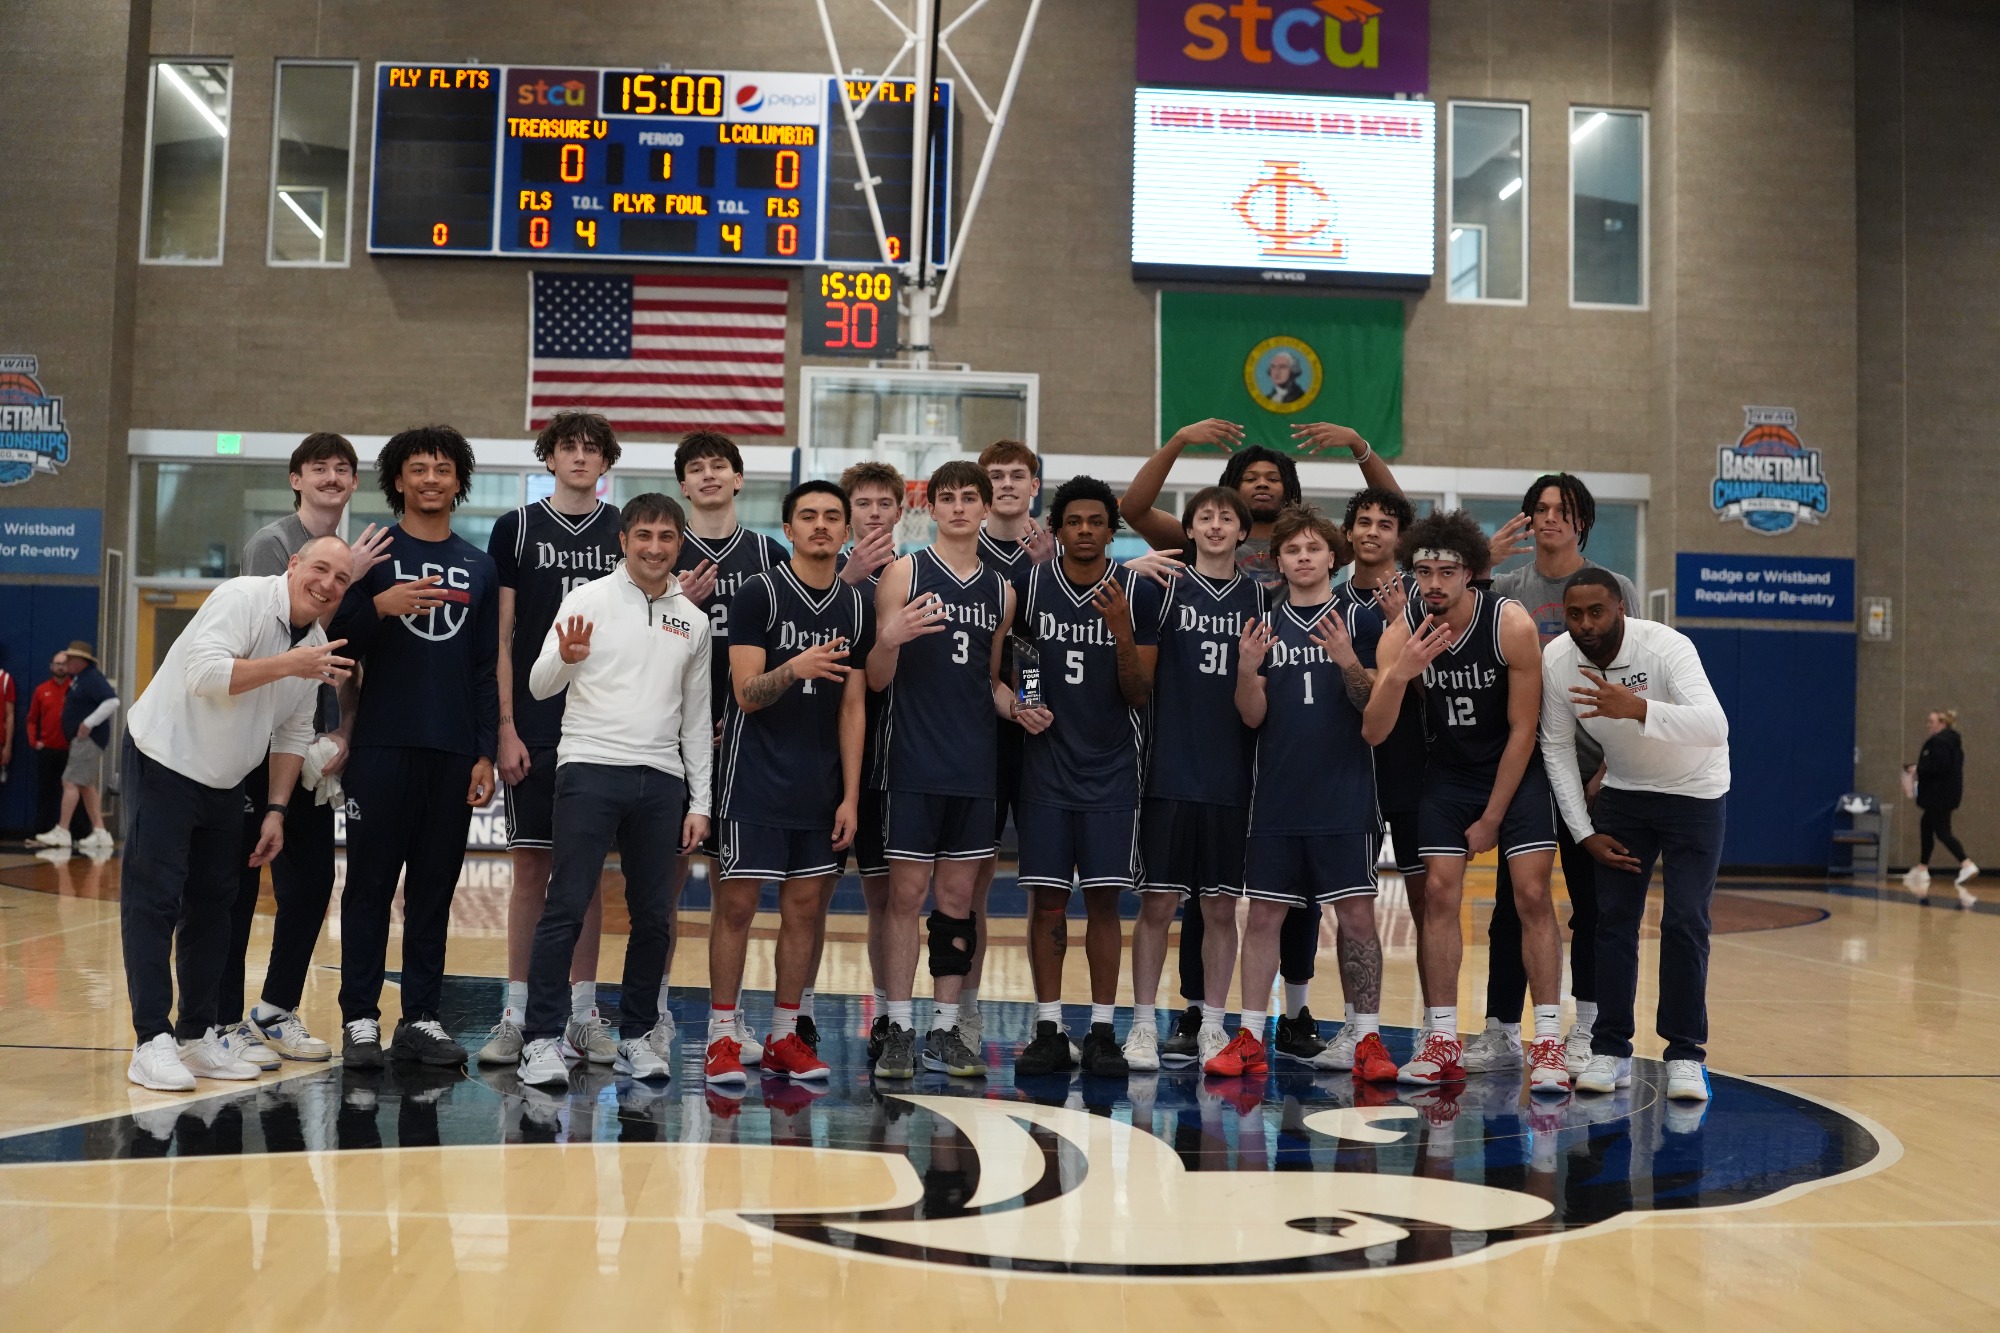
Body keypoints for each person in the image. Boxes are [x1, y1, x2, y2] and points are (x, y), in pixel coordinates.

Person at [1126, 420, 1401, 1060]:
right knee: (1211, 907)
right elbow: (1152, 683)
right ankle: (1214, 1021)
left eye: (1270, 480)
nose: (1259, 489)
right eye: (1248, 482)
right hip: (1228, 778)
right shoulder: (1207, 593)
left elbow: (1377, 710)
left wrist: (1361, 445)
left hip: (1318, 786)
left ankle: (1331, 1026)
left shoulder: (1348, 614)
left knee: (1319, 913)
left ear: (1332, 555)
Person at [119, 535, 355, 1090]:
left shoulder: (315, 644)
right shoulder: (242, 598)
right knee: (155, 900)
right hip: (165, 757)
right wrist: (286, 665)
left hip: (226, 780)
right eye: (319, 568)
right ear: (294, 564)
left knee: (214, 905)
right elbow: (203, 676)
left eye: (341, 579)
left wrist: (276, 809)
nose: (327, 584)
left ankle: (196, 1037)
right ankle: (149, 1039)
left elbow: (294, 731)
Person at [1362, 510, 1570, 1094]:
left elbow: (1524, 728)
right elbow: (1374, 731)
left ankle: (1549, 1042)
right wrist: (1400, 675)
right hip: (1448, 777)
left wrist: (1493, 818)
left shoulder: (1511, 624)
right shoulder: (1402, 633)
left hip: (1512, 774)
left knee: (1531, 894)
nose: (1433, 583)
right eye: (1423, 571)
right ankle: (1443, 1037)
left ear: (1471, 573)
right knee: (1438, 897)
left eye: (1446, 571)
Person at [513, 493, 711, 1089]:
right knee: (566, 905)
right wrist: (567, 659)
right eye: (644, 535)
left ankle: (636, 1037)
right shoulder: (586, 599)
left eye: (667, 537)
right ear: (623, 539)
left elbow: (697, 719)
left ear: (680, 543)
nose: (655, 547)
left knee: (654, 918)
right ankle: (542, 1040)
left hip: (662, 780)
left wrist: (700, 800)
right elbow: (539, 686)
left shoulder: (693, 620)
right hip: (589, 769)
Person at [1207, 505, 1398, 1084]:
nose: (1305, 558)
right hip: (1278, 797)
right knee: (1263, 915)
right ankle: (1249, 1035)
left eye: (1315, 548)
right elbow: (1252, 715)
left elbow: (1374, 707)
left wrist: (1346, 660)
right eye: (1293, 550)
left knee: (1358, 918)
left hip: (1346, 795)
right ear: (1279, 559)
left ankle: (1367, 1038)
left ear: (1333, 557)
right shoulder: (1263, 622)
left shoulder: (1361, 621)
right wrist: (1245, 669)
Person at [328, 425, 500, 1069]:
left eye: (444, 469)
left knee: (434, 889)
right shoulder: (370, 553)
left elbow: (486, 667)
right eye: (418, 468)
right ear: (397, 480)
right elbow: (333, 640)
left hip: (453, 751)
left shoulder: (479, 564)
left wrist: (484, 750)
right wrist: (379, 605)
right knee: (369, 887)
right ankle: (360, 1020)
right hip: (381, 746)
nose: (431, 478)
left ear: (459, 482)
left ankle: (421, 1016)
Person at [220, 431, 391, 1065]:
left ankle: (276, 1008)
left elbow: (346, 661)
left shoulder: (351, 554)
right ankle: (222, 1018)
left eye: (343, 469)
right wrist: (362, 592)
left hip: (314, 749)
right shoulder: (271, 545)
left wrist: (345, 729)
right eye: (319, 468)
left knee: (313, 882)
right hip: (256, 742)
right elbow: (271, 644)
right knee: (239, 886)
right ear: (297, 478)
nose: (331, 477)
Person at [1473, 473, 1642, 1078]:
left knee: (1592, 906)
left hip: (1597, 770)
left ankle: (1590, 1026)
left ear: (1583, 522)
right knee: (1511, 903)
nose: (1551, 519)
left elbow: (1632, 679)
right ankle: (1499, 1029)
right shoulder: (1506, 586)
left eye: (1563, 511)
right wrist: (1481, 564)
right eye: (1540, 509)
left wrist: (1613, 767)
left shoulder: (1613, 587)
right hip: (1523, 769)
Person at [1540, 569, 1731, 1102]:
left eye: (1595, 611)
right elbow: (1555, 747)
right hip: (1625, 794)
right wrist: (1581, 833)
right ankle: (1610, 1048)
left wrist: (1638, 708)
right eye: (1573, 614)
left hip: (1696, 791)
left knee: (1686, 920)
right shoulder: (1558, 660)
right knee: (1610, 921)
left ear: (1620, 607)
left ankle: (1686, 1055)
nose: (1584, 624)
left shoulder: (1666, 648)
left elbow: (1715, 726)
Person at [702, 481, 869, 1087]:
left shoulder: (856, 607)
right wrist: (793, 667)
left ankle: (782, 1036)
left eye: (832, 517)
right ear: (788, 529)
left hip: (820, 786)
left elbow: (854, 708)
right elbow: (746, 694)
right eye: (808, 517)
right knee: (738, 907)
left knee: (804, 910)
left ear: (846, 531)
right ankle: (722, 1036)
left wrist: (850, 795)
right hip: (753, 778)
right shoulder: (759, 593)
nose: (821, 525)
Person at [865, 460, 1021, 1081]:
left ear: (986, 508)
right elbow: (876, 678)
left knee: (958, 902)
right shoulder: (904, 572)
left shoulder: (1002, 592)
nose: (958, 507)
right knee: (905, 896)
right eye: (947, 498)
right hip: (911, 761)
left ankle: (943, 1026)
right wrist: (890, 636)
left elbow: (989, 682)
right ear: (930, 508)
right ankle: (898, 1025)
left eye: (969, 498)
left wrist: (1023, 708)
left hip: (974, 765)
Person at [480, 411, 626, 1068]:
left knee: (588, 875)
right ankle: (515, 1012)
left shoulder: (625, 531)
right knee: (532, 870)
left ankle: (580, 1011)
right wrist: (504, 726)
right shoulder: (515, 527)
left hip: (603, 725)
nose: (579, 457)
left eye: (592, 449)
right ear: (549, 457)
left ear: (606, 463)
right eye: (568, 446)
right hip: (536, 724)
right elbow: (503, 636)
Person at [1011, 476, 1160, 1080]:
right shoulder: (1029, 585)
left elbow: (1139, 691)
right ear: (1058, 528)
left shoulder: (1135, 591)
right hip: (1045, 767)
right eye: (1073, 521)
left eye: (1096, 521)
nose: (1084, 530)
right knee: (1047, 903)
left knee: (1103, 902)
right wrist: (1026, 700)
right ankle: (1049, 1026)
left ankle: (1102, 1029)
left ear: (1110, 529)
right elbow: (1018, 658)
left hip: (1110, 769)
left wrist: (1122, 628)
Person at [1128, 487, 1265, 1073]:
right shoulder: (1161, 587)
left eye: (1225, 517)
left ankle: (1212, 1025)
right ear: (1187, 529)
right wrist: (1126, 566)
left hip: (1231, 778)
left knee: (1217, 908)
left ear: (1242, 532)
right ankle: (1140, 1027)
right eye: (1204, 517)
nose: (1214, 525)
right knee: (1157, 905)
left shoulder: (1262, 597)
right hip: (1166, 772)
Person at [669, 430, 788, 1066]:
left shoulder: (769, 554)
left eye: (720, 467)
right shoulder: (660, 546)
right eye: (697, 469)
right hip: (666, 740)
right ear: (683, 485)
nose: (710, 476)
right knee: (658, 890)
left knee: (732, 890)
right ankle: (653, 1014)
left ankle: (731, 1013)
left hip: (744, 740)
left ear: (739, 479)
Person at [1328, 486, 1426, 1068]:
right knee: (1351, 904)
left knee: (1427, 902)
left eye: (1385, 523)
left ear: (1400, 537)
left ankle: (1436, 1027)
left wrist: (1391, 650)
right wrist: (1380, 668)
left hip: (1412, 766)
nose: (1372, 531)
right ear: (1348, 533)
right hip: (1346, 767)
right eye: (1362, 521)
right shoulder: (1331, 599)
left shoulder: (1422, 597)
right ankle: (1357, 1027)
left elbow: (1427, 686)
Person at [964, 439, 1051, 1052]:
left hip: (1046, 735)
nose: (1006, 485)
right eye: (993, 477)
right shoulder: (965, 553)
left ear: (1035, 485)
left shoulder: (1054, 553)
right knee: (972, 881)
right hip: (980, 734)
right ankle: (964, 1008)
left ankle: (1049, 1017)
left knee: (1046, 887)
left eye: (1017, 476)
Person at [835, 460, 905, 1063]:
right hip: (824, 756)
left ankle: (888, 1013)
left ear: (901, 510)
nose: (875, 511)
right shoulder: (821, 574)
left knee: (885, 897)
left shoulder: (921, 574)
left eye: (886, 502)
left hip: (897, 757)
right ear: (848, 510)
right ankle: (796, 1011)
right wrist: (849, 582)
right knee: (810, 892)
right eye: (864, 503)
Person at [33, 641, 118, 851]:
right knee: (85, 785)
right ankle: (100, 832)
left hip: (88, 740)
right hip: (83, 741)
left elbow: (112, 702)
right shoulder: (80, 679)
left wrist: (88, 723)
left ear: (81, 661)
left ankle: (63, 831)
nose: (67, 662)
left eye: (70, 659)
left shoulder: (92, 679)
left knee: (69, 781)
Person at [1907, 709, 1978, 902]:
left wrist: (1918, 769)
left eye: (1932, 721)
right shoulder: (1951, 742)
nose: (1928, 724)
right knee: (1926, 826)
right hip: (1942, 794)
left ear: (1942, 723)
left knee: (1943, 832)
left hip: (1939, 795)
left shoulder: (1940, 742)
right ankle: (1922, 868)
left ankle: (1966, 863)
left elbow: (1940, 766)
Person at [26, 651, 77, 840]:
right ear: (51, 666)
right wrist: (34, 741)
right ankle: (42, 830)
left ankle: (71, 831)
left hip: (70, 750)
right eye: (57, 663)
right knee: (46, 792)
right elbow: (32, 719)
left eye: (64, 663)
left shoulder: (75, 689)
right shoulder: (41, 690)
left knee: (72, 791)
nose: (61, 667)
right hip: (47, 749)